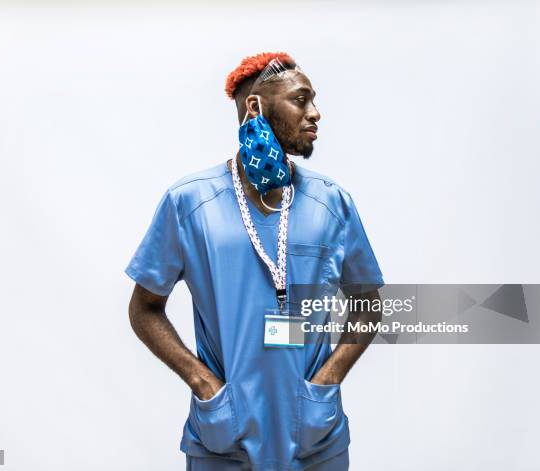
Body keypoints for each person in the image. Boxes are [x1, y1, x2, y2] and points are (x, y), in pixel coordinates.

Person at [126, 52, 384, 471]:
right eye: (301, 100)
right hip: (224, 438)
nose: (315, 113)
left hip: (314, 437)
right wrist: (203, 382)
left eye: (314, 100)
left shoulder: (330, 203)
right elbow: (144, 308)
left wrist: (330, 377)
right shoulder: (190, 204)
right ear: (256, 106)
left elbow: (368, 302)